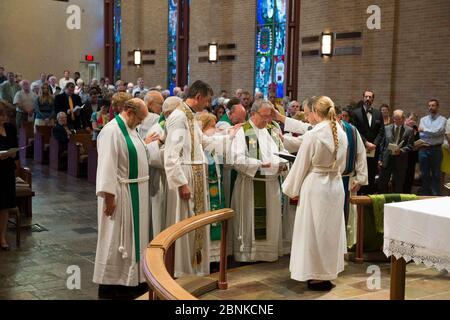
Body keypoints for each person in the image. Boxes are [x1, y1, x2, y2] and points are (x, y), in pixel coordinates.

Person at [164, 80, 235, 277]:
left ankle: (194, 269)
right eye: (207, 99)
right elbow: (171, 154)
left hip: (196, 175)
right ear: (198, 97)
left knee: (195, 224)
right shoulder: (179, 117)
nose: (208, 104)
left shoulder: (192, 117)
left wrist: (230, 137)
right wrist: (181, 183)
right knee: (185, 224)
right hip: (186, 177)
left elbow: (204, 142)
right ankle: (182, 270)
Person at [282, 96, 348, 291]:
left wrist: (290, 189)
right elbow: (342, 166)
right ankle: (326, 273)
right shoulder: (341, 132)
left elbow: (301, 164)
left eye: (308, 113)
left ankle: (315, 274)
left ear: (316, 113)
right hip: (335, 187)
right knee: (329, 232)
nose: (307, 118)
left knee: (312, 231)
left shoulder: (314, 135)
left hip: (316, 186)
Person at [93, 98, 153, 299]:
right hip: (121, 194)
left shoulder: (131, 130)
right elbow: (107, 166)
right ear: (128, 111)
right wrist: (109, 197)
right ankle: (112, 282)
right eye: (140, 118)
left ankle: (132, 279)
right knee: (116, 239)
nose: (141, 123)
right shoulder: (111, 131)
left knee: (134, 239)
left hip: (136, 190)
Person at [230, 99, 286, 262]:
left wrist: (284, 164)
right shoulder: (243, 132)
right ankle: (250, 254)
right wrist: (259, 164)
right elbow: (237, 159)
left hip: (272, 185)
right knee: (251, 222)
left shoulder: (273, 132)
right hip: (251, 186)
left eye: (270, 117)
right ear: (253, 114)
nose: (268, 120)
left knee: (272, 222)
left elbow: (283, 151)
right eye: (265, 116)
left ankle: (269, 253)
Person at [145, 97, 182, 238]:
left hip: (173, 179)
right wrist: (174, 158)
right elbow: (152, 156)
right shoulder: (157, 129)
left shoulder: (177, 129)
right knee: (159, 218)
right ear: (169, 114)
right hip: (161, 180)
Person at [198, 112, 225, 262]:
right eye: (212, 126)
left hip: (216, 187)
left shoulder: (213, 142)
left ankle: (216, 257)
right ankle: (207, 257)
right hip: (206, 189)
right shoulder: (202, 144)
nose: (215, 129)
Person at [352, 90, 385, 194]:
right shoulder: (355, 113)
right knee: (360, 171)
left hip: (374, 150)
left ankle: (369, 198)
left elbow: (381, 131)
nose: (368, 99)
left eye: (370, 97)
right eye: (366, 97)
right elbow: (355, 130)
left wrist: (374, 144)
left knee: (371, 173)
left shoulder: (378, 113)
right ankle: (359, 197)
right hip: (361, 147)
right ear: (363, 98)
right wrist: (366, 143)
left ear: (373, 99)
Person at [378, 110, 415, 193]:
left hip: (400, 161)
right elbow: (382, 145)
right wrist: (380, 159)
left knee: (398, 186)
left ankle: (395, 204)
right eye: (394, 118)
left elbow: (410, 146)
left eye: (398, 119)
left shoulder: (409, 130)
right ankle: (382, 205)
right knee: (382, 185)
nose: (396, 121)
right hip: (387, 160)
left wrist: (401, 151)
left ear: (403, 119)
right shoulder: (387, 128)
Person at [418, 99, 447, 196]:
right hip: (424, 149)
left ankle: (435, 196)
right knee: (424, 174)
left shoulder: (443, 120)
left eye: (433, 105)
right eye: (429, 106)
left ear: (437, 107)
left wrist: (425, 130)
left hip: (436, 149)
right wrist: (431, 132)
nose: (431, 107)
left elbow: (438, 132)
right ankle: (424, 196)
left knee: (436, 174)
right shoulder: (423, 119)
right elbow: (421, 135)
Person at [0, 101, 18, 250]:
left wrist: (13, 153)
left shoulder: (10, 128)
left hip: (7, 171)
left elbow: (15, 147)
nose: (4, 117)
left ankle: (2, 237)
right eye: (1, 114)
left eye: (5, 114)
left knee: (4, 206)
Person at [403, 112, 420, 193]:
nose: (412, 121)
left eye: (414, 120)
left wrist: (418, 146)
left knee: (410, 175)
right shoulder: (403, 128)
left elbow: (418, 139)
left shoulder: (416, 129)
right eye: (411, 119)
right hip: (404, 155)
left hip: (413, 155)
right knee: (403, 176)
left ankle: (408, 193)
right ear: (406, 119)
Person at [442, 117, 450, 190]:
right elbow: (448, 135)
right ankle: (442, 190)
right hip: (447, 147)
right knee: (443, 170)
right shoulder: (449, 120)